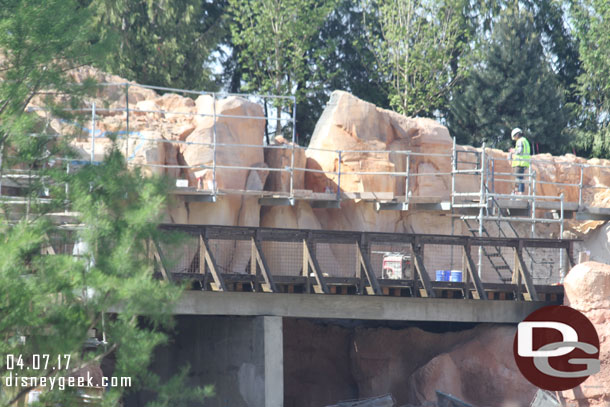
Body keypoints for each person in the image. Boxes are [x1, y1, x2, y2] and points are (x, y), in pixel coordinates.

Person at [509, 127, 531, 195]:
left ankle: (519, 192)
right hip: (524, 162)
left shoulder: (520, 141)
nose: (514, 139)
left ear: (517, 135)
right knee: (519, 177)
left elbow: (520, 151)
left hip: (519, 162)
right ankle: (517, 191)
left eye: (514, 137)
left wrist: (513, 151)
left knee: (518, 178)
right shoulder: (525, 141)